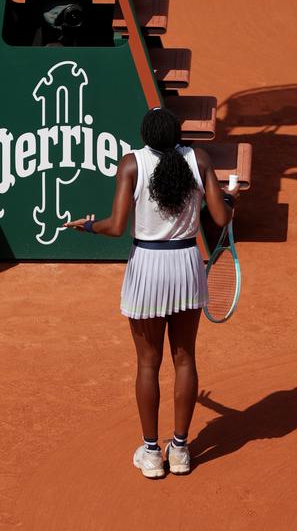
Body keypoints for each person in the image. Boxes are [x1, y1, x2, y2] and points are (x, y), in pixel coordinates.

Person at [64, 107, 238, 478]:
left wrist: (89, 226)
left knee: (148, 363)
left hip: (147, 267)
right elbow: (221, 219)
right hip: (186, 266)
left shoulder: (131, 164)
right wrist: (229, 201)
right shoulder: (199, 159)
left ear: (146, 135)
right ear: (176, 134)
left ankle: (150, 452)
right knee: (185, 359)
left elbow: (116, 226)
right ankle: (179, 450)